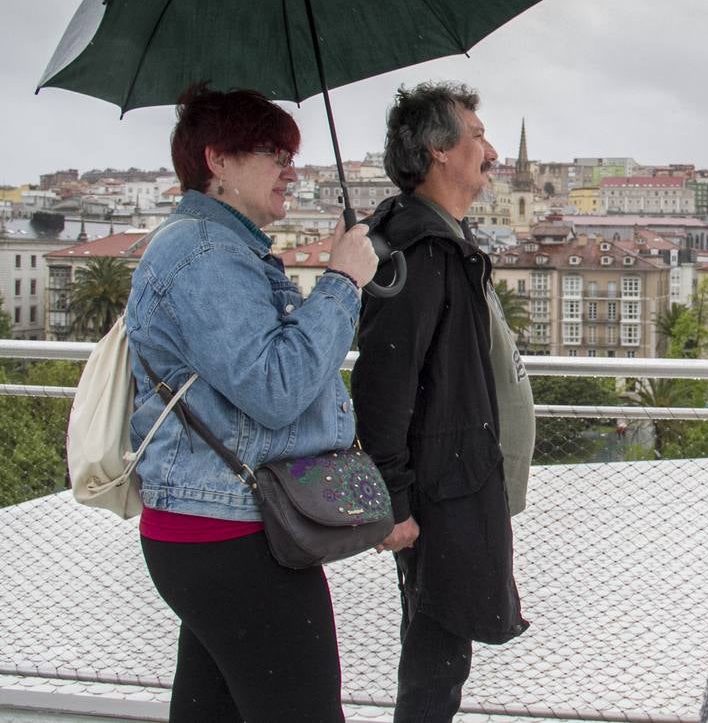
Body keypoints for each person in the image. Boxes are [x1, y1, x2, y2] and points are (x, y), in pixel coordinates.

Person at [126, 83, 379, 722]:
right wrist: (344, 281)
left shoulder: (217, 247)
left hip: (209, 529)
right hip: (233, 533)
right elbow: (276, 388)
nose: (291, 170)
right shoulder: (207, 255)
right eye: (273, 152)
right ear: (217, 161)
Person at [352, 81, 534, 722]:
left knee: (441, 648)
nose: (489, 150)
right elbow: (383, 385)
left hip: (457, 476)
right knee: (437, 655)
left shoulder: (440, 240)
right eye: (477, 136)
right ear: (438, 151)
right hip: (439, 487)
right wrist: (393, 502)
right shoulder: (421, 250)